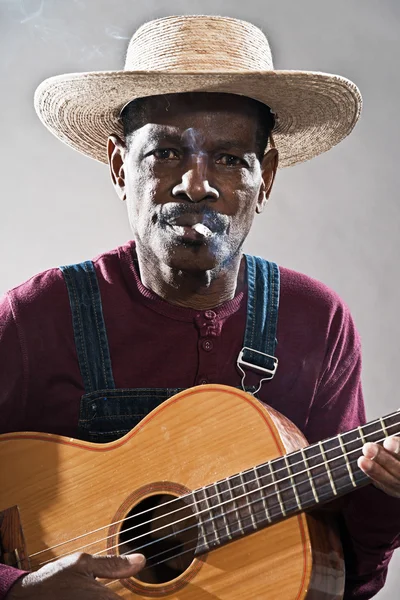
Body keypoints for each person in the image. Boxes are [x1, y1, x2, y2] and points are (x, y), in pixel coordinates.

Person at [0, 14, 399, 600]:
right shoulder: (37, 319)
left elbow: (345, 575)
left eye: (231, 159)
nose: (196, 184)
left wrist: (387, 500)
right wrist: (17, 587)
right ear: (119, 167)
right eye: (165, 153)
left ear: (265, 178)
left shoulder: (317, 322)